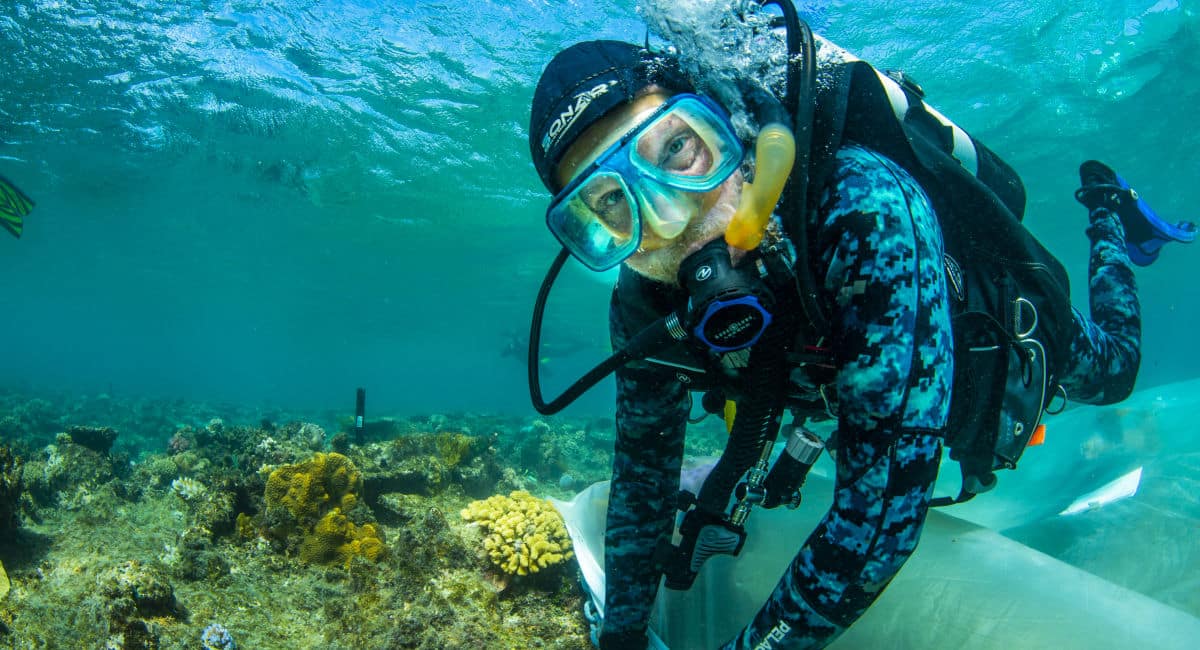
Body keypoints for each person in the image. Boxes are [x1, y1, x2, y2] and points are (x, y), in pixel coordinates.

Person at [523, 25, 1193, 650]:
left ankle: (1108, 213)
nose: (670, 219)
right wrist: (622, 639)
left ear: (727, 126)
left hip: (1007, 337)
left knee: (1116, 370)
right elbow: (643, 483)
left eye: (676, 148)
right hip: (853, 389)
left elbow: (879, 520)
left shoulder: (862, 207)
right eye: (610, 200)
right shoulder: (643, 302)